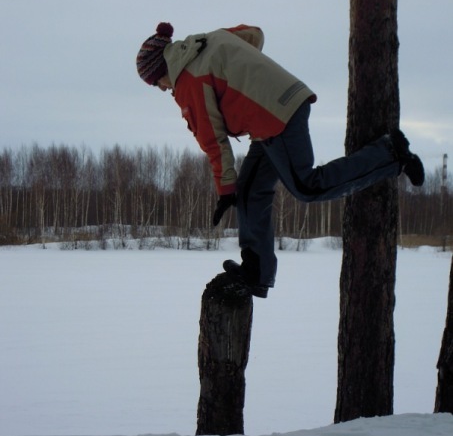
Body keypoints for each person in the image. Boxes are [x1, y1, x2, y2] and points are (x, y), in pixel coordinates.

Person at [136, 22, 424, 298]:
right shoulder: (208, 40)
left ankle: (390, 154)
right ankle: (257, 272)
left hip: (275, 117)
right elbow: (254, 34)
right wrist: (245, 77)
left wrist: (224, 190)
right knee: (250, 190)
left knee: (306, 185)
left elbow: (213, 141)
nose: (162, 88)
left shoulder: (187, 82)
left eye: (156, 82)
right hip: (277, 108)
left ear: (162, 68)